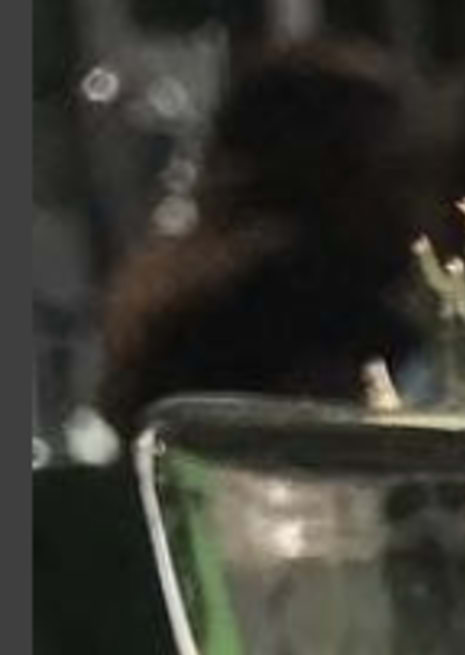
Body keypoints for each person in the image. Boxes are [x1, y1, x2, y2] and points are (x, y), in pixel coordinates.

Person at [97, 39, 436, 433]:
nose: (420, 200)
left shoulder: (179, 292)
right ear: (339, 175)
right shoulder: (315, 305)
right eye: (401, 172)